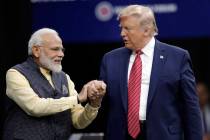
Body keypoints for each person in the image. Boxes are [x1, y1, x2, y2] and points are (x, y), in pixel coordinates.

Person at [99, 5, 202, 140]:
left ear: (146, 30)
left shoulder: (178, 57)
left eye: (127, 28)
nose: (122, 33)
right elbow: (101, 106)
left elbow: (191, 107)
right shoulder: (110, 59)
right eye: (121, 28)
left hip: (163, 135)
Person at [2, 28, 106, 140]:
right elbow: (35, 107)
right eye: (55, 49)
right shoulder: (16, 74)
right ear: (36, 50)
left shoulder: (64, 77)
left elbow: (78, 122)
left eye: (62, 50)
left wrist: (94, 104)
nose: (61, 54)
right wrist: (77, 98)